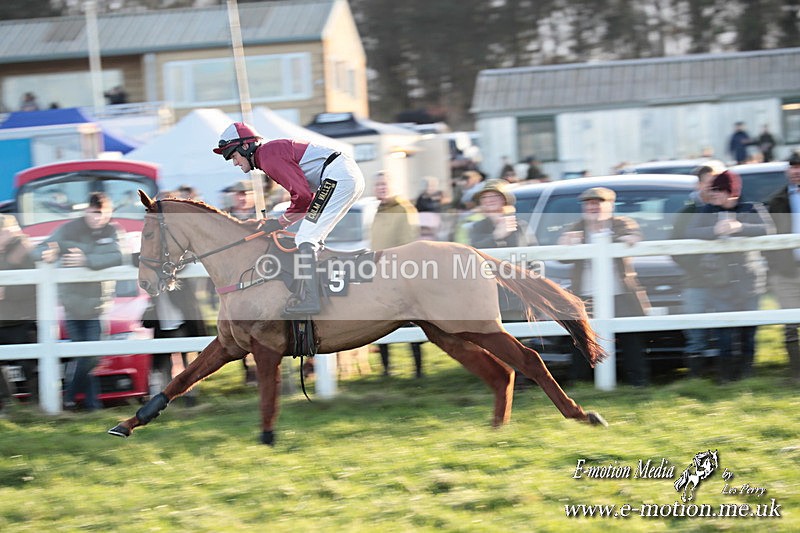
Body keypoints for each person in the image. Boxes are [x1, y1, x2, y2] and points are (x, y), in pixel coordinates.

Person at [213, 122, 365, 316]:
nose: (234, 163)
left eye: (233, 156)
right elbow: (304, 200)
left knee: (306, 238)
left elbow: (303, 198)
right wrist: (281, 222)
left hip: (339, 176)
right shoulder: (268, 155)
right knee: (312, 237)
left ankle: (311, 299)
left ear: (245, 146)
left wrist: (279, 222)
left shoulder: (267, 156)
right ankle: (320, 291)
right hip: (343, 174)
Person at [35, 192, 124, 411]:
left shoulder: (113, 231)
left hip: (96, 307)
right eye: (93, 212)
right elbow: (40, 248)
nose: (97, 217)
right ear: (86, 210)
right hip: (72, 305)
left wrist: (86, 260)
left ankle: (69, 396)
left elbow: (118, 255)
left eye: (102, 213)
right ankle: (92, 406)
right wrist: (47, 254)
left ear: (109, 213)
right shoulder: (68, 229)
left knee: (91, 357)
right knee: (84, 357)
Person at [685, 170, 775, 382]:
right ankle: (726, 378)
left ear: (731, 191)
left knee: (748, 333)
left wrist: (740, 227)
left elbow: (768, 229)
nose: (713, 193)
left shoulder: (752, 208)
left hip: (749, 281)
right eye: (712, 189)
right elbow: (691, 232)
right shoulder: (706, 210)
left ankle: (746, 375)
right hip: (720, 282)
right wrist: (714, 231)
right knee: (724, 333)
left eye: (718, 190)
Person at [557, 187, 651, 386]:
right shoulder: (577, 227)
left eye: (598, 203)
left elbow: (633, 235)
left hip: (620, 293)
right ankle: (580, 382)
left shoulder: (621, 223)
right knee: (581, 338)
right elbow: (562, 257)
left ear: (610, 205)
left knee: (630, 337)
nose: (593, 207)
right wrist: (566, 243)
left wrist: (622, 239)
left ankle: (638, 381)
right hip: (586, 294)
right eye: (588, 204)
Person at [371, 171, 424, 377]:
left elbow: (407, 243)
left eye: (385, 184)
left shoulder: (403, 209)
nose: (381, 188)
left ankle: (418, 370)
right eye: (378, 185)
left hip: (400, 274)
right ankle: (386, 370)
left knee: (410, 321)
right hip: (380, 274)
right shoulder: (379, 210)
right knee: (379, 321)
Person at [670, 165, 718, 376]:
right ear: (699, 185)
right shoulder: (686, 214)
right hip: (695, 281)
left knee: (726, 329)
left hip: (725, 281)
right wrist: (698, 268)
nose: (713, 187)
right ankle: (696, 377)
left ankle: (724, 376)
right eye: (709, 182)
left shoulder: (725, 208)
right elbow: (675, 248)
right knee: (696, 333)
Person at [763, 152, 800, 383]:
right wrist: (775, 267)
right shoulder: (776, 200)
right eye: (793, 166)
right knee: (790, 325)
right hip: (786, 271)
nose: (796, 171)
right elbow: (768, 238)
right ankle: (796, 373)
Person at [142, 281, 208, 405]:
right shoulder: (155, 282)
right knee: (165, 365)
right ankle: (168, 396)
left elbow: (188, 303)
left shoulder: (176, 280)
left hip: (180, 325)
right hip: (162, 327)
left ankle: (190, 394)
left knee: (185, 363)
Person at [0, 215, 38, 412]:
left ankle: (37, 406)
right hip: (6, 320)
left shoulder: (24, 250)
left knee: (30, 366)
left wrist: (6, 292)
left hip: (22, 319)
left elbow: (34, 286)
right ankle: (8, 405)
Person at [469, 180, 529, 249]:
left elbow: (526, 250)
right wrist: (497, 236)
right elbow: (475, 249)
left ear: (504, 199)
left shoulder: (518, 225)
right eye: (484, 197)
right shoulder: (478, 227)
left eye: (495, 196)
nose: (490, 200)